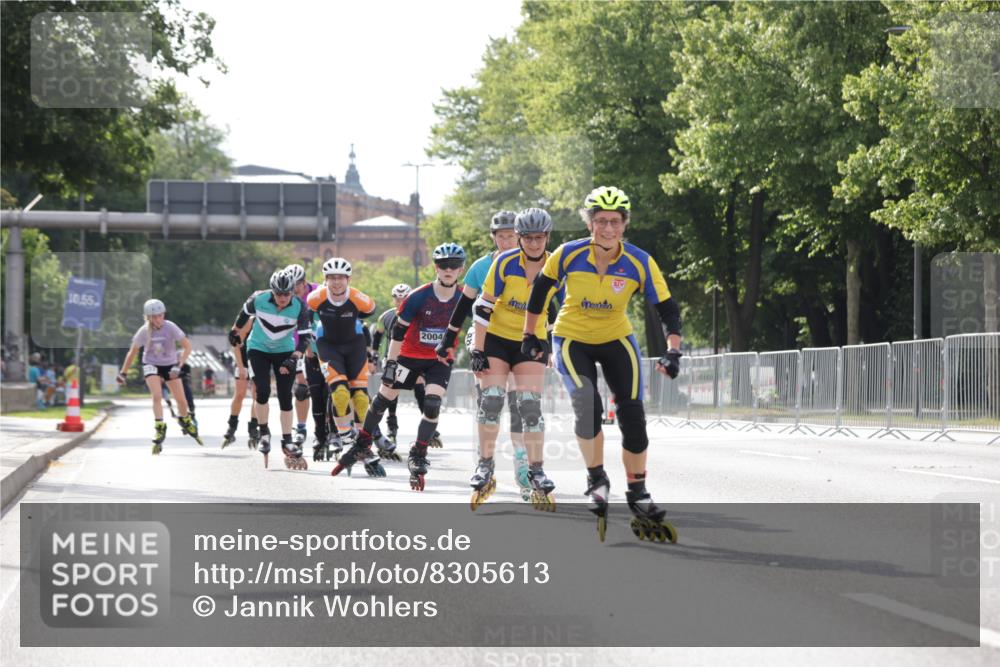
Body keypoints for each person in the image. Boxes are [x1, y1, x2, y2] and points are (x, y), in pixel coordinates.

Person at [522, 186, 683, 543]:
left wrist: (673, 351)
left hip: (616, 339)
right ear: (589, 223)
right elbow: (539, 293)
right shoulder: (567, 254)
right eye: (600, 222)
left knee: (633, 416)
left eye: (614, 222)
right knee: (587, 403)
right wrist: (530, 335)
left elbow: (667, 309)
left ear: (624, 225)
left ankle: (638, 492)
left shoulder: (640, 260)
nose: (607, 229)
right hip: (571, 338)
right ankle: (596, 478)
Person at [337, 243, 466, 491]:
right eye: (443, 265)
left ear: (460, 269)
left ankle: (418, 452)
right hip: (408, 356)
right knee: (384, 398)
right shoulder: (418, 296)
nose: (448, 270)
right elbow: (398, 333)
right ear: (436, 267)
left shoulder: (463, 298)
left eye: (454, 266)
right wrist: (390, 364)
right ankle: (364, 440)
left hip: (439, 360)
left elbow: (484, 321)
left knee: (432, 404)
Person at [462, 208, 557, 510]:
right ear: (518, 238)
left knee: (530, 407)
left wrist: (554, 346)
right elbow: (482, 306)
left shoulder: (556, 266)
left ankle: (536, 470)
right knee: (491, 400)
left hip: (531, 341)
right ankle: (485, 465)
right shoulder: (504, 263)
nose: (533, 243)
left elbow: (567, 311)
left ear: (547, 237)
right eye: (527, 238)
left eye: (538, 238)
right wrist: (478, 349)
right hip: (497, 339)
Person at [437, 211, 528, 476]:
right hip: (485, 336)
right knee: (490, 402)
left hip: (520, 337)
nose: (507, 242)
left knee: (519, 401)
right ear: (493, 237)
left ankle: (521, 458)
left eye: (512, 236)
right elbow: (463, 304)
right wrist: (448, 338)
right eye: (502, 237)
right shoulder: (481, 266)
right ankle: (485, 460)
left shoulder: (532, 264)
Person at [306, 257, 390, 475]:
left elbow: (370, 309)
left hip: (354, 346)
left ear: (348, 279)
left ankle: (364, 443)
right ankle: (346, 436)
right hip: (328, 347)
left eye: (341, 278)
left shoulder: (357, 298)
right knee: (341, 393)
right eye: (331, 278)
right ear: (325, 280)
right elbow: (307, 314)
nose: (336, 283)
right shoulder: (315, 298)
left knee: (361, 399)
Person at [229, 269, 313, 469]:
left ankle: (287, 440)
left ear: (293, 292)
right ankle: (264, 432)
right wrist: (234, 332)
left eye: (287, 294)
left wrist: (294, 358)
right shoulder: (258, 299)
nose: (283, 298)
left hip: (285, 351)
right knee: (263, 391)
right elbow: (243, 315)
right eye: (279, 294)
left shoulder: (300, 307)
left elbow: (306, 337)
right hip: (258, 348)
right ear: (272, 291)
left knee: (285, 395)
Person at [117, 299, 202, 454]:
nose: (157, 319)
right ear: (148, 317)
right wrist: (123, 372)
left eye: (160, 315)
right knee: (157, 396)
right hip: (151, 364)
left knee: (181, 400)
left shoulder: (170, 327)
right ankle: (160, 427)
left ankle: (185, 419)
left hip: (170, 365)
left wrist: (178, 365)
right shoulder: (144, 331)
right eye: (153, 316)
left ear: (164, 314)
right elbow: (133, 352)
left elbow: (187, 347)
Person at [370, 283, 412, 443]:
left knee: (419, 389)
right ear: (393, 299)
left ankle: (430, 425)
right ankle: (392, 425)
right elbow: (377, 337)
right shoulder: (385, 317)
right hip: (391, 358)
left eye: (404, 298)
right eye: (397, 298)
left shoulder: (416, 314)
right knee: (391, 389)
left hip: (411, 358)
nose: (400, 302)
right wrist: (373, 358)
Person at [286, 263, 320, 447]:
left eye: (296, 285)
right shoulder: (286, 296)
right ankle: (301, 427)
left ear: (304, 282)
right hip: (297, 343)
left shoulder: (317, 292)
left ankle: (326, 428)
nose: (293, 290)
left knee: (324, 389)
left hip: (319, 343)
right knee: (301, 389)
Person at [221, 321, 258, 449]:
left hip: (259, 361)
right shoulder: (250, 321)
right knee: (240, 394)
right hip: (243, 361)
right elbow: (236, 345)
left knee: (257, 396)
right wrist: (241, 366)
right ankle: (232, 425)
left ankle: (253, 427)